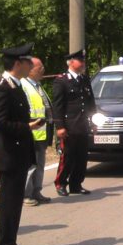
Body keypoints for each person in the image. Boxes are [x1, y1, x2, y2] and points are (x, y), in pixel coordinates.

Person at [0, 44, 39, 245]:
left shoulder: (16, 85)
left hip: (18, 154)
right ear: (17, 63)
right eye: (28, 62)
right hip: (8, 155)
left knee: (15, 202)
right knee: (8, 204)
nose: (31, 65)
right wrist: (27, 127)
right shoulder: (3, 87)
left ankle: (12, 243)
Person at [52, 49, 96, 197]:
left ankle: (76, 184)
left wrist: (94, 121)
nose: (83, 63)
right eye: (80, 61)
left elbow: (90, 103)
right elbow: (57, 106)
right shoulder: (61, 80)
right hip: (69, 126)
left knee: (82, 157)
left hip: (83, 125)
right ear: (71, 62)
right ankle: (61, 183)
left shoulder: (84, 79)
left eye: (84, 61)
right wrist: (60, 126)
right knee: (68, 156)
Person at [21, 57, 53, 206]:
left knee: (40, 165)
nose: (43, 71)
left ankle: (36, 191)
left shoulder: (37, 85)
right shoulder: (24, 85)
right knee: (30, 165)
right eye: (40, 68)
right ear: (30, 69)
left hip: (41, 132)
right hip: (30, 132)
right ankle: (26, 194)